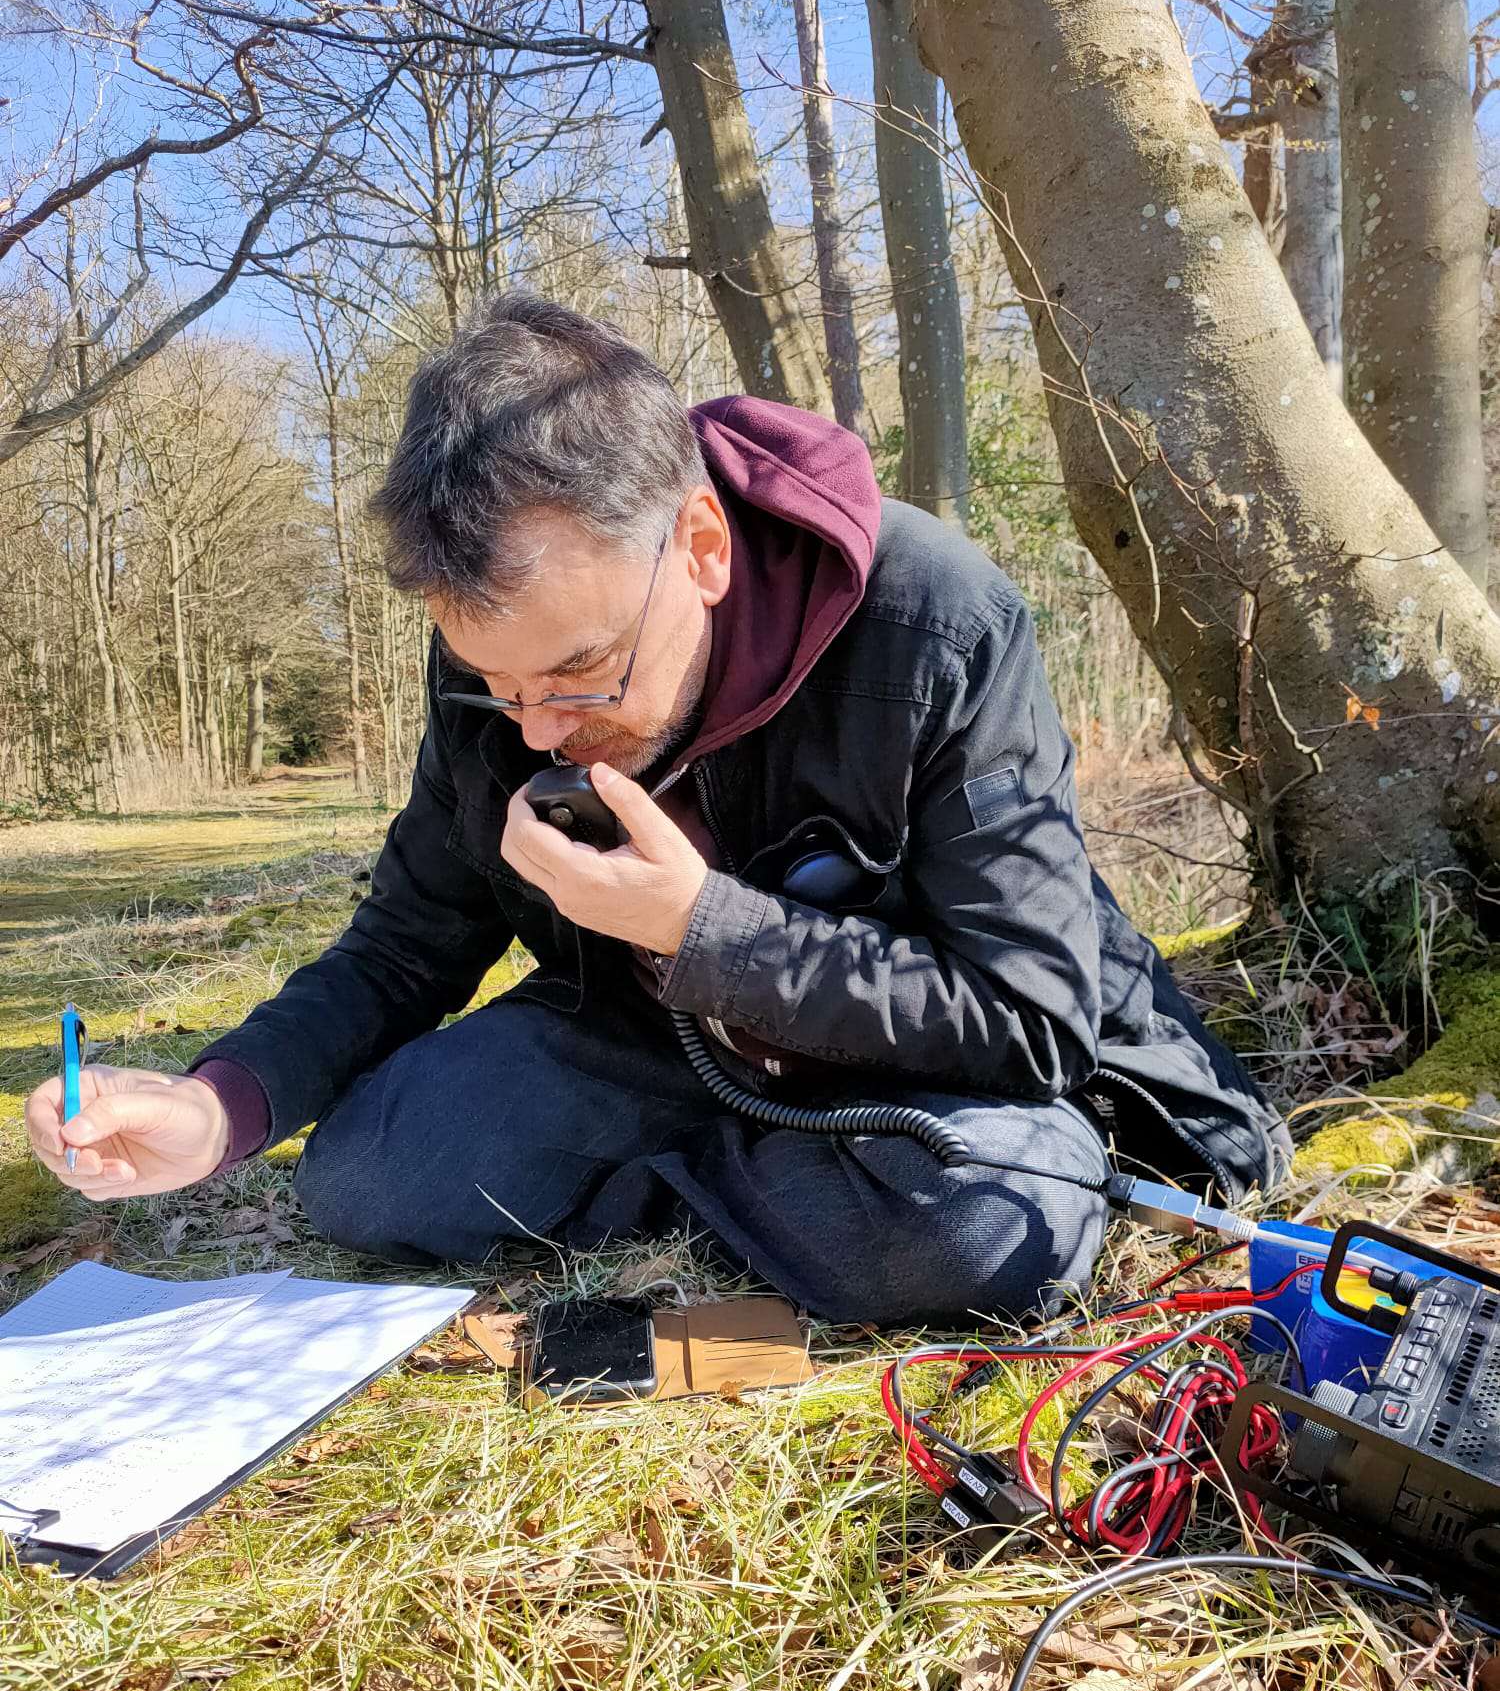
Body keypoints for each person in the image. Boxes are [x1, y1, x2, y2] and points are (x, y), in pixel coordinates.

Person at [24, 293, 1289, 1325]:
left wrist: (703, 930)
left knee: (985, 1218)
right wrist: (221, 1104)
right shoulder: (505, 662)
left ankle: (763, 1190)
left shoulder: (935, 622)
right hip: (658, 1045)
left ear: (701, 545)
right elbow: (409, 941)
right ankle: (786, 1196)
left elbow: (1028, 1010)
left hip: (927, 1061)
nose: (535, 727)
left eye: (581, 674)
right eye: (496, 682)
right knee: (366, 1172)